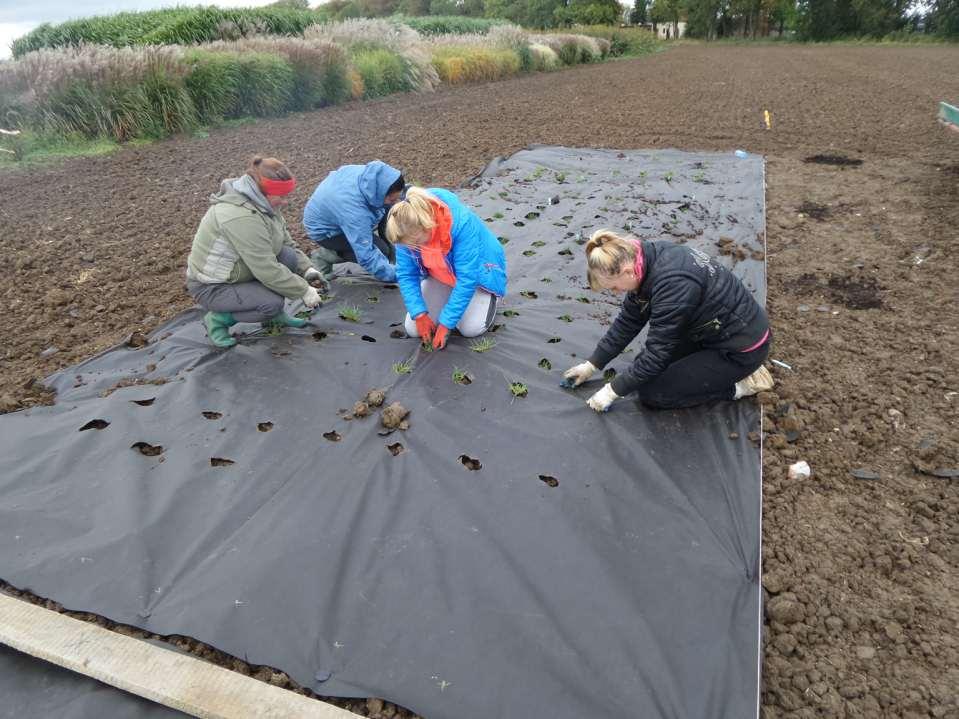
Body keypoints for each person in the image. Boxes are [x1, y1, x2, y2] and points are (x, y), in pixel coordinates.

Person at [563, 230, 774, 412]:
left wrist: (611, 392)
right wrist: (591, 365)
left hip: (739, 349)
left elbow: (656, 356)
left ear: (626, 272)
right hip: (711, 331)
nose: (616, 292)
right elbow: (628, 322)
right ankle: (725, 374)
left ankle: (741, 386)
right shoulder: (643, 259)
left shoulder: (673, 284)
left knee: (654, 394)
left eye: (613, 287)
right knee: (640, 368)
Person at [186, 156, 324, 349]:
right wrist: (303, 290)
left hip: (241, 271)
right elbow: (265, 267)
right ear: (265, 192)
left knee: (288, 257)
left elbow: (287, 243)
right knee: (271, 303)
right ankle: (218, 320)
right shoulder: (240, 216)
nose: (285, 202)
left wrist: (307, 270)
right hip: (213, 286)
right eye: (281, 196)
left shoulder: (264, 204)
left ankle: (274, 319)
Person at [386, 187, 507, 350]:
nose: (411, 248)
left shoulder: (461, 224)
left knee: (470, 329)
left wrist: (446, 323)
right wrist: (419, 314)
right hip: (441, 276)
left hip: (479, 276)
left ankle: (491, 298)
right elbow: (406, 274)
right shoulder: (406, 230)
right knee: (413, 329)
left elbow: (466, 279)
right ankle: (449, 299)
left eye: (415, 243)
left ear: (427, 226)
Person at [302, 160, 405, 283]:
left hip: (340, 211)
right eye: (392, 198)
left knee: (390, 210)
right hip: (326, 230)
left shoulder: (375, 178)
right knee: (381, 250)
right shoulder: (354, 211)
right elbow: (366, 255)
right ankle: (324, 256)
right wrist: (400, 277)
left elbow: (399, 197)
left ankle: (392, 259)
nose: (395, 201)